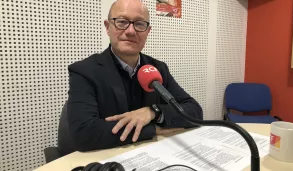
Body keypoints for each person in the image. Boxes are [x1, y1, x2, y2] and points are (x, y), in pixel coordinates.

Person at [65, 0, 203, 154]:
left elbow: (194, 111)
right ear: (107, 27)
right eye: (122, 22)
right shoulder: (84, 71)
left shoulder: (158, 68)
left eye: (139, 24)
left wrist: (153, 112)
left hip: (156, 154)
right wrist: (153, 129)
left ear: (148, 31)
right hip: (109, 159)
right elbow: (84, 134)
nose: (130, 31)